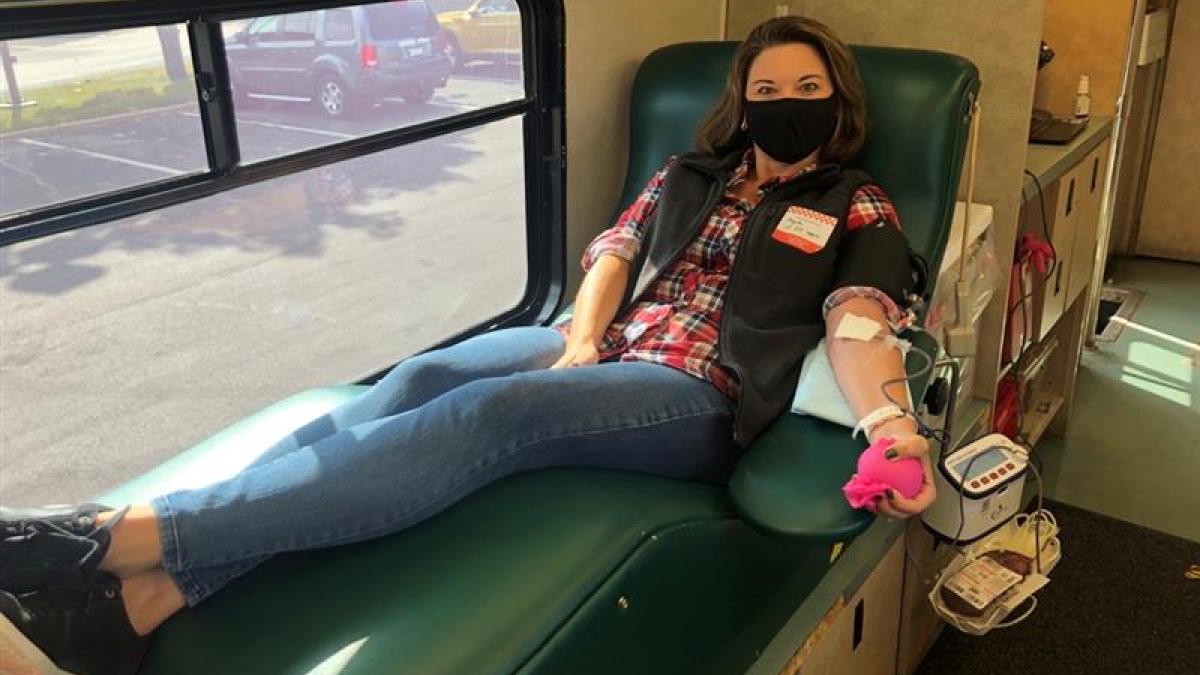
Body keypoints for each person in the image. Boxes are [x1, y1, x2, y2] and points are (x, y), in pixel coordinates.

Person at [0, 15, 937, 675]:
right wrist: (577, 337)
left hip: (698, 392)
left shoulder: (852, 202)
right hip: (603, 347)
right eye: (767, 89)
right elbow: (615, 249)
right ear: (742, 102)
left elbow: (859, 317)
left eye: (806, 89)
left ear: (836, 100)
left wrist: (891, 426)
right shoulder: (694, 173)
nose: (785, 105)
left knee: (495, 411)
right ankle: (139, 607)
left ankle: (97, 543)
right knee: (425, 375)